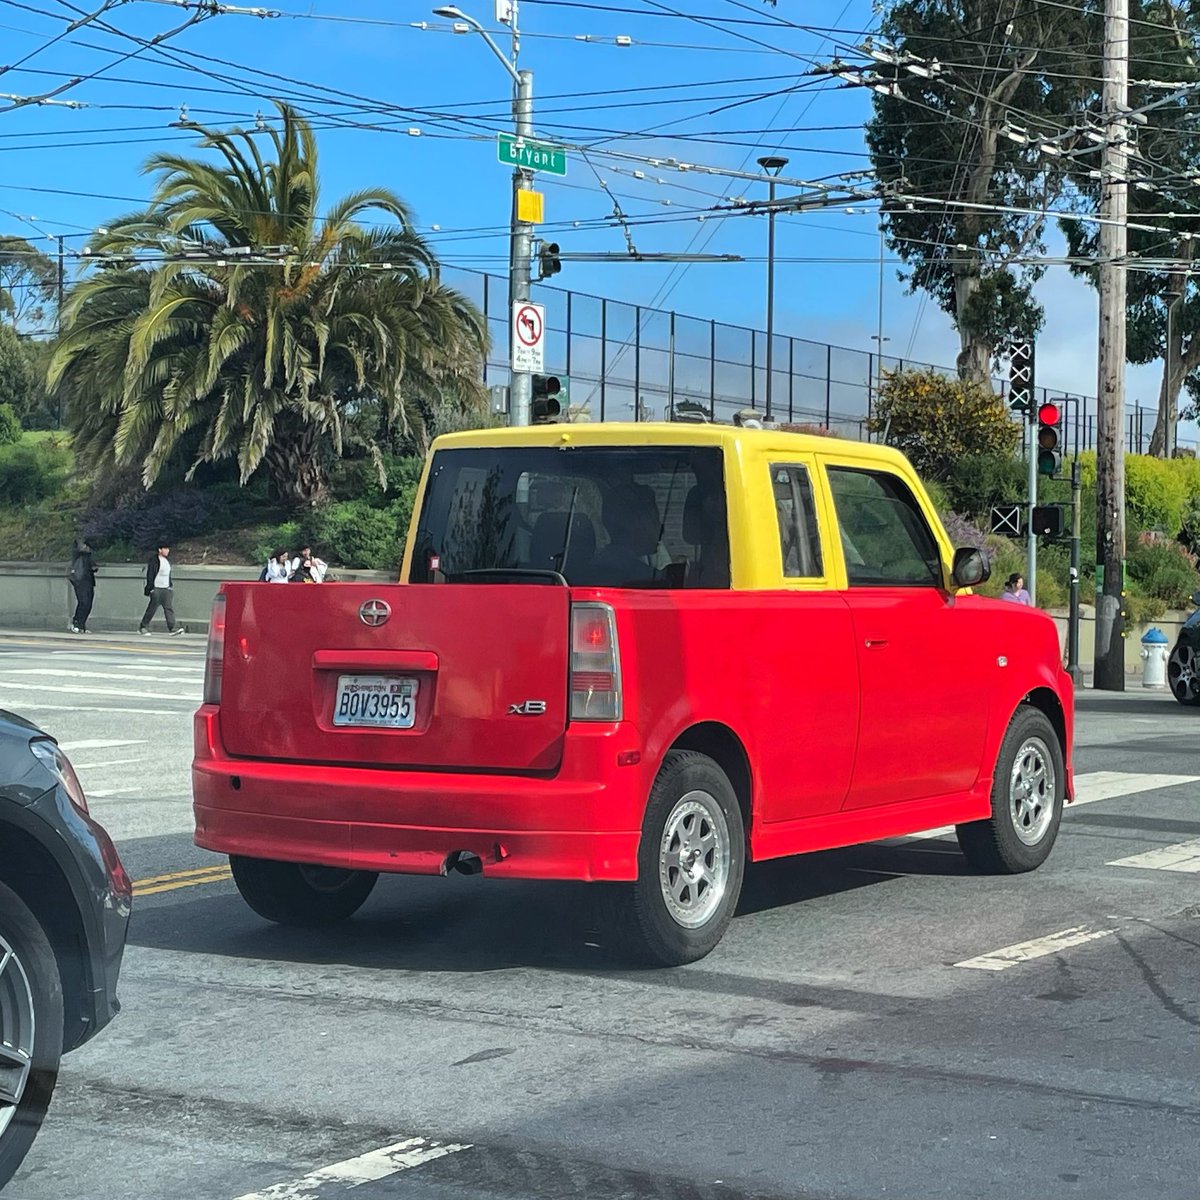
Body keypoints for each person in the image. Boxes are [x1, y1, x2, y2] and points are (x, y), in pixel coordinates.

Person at [139, 543, 185, 636]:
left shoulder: (167, 561)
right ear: (160, 550)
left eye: (168, 549)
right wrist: (150, 588)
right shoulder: (154, 561)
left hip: (166, 588)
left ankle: (172, 628)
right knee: (152, 609)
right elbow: (150, 574)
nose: (167, 551)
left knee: (168, 608)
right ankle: (143, 627)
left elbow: (168, 575)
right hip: (156, 588)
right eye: (165, 549)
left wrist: (170, 586)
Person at [67, 539, 97, 634]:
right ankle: (76, 622)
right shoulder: (79, 554)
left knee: (88, 603)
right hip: (80, 580)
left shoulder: (88, 556)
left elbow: (92, 566)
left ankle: (81, 624)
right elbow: (79, 549)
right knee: (83, 602)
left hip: (88, 580)